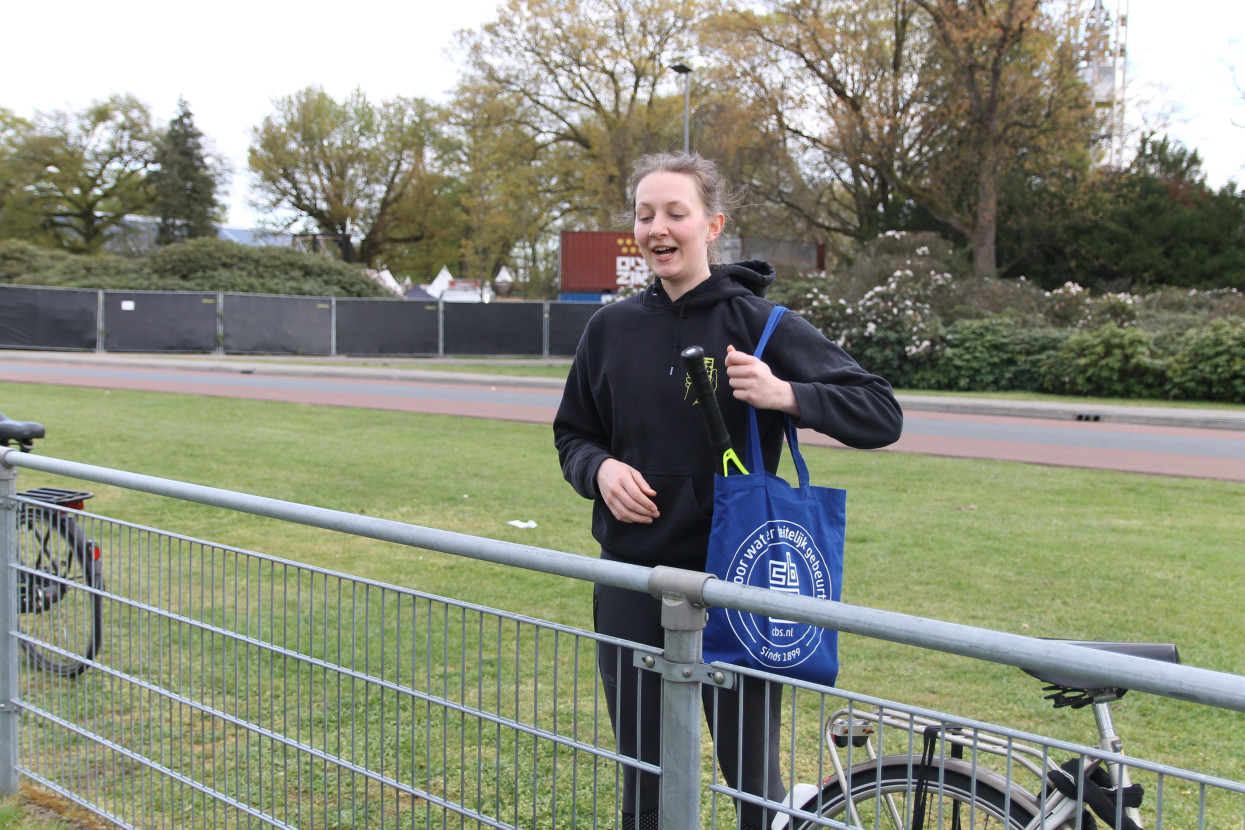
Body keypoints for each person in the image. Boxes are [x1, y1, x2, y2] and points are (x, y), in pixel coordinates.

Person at [553, 152, 903, 830]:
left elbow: (880, 413)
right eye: (644, 214)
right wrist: (598, 470)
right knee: (645, 776)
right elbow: (573, 435)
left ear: (711, 225)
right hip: (634, 579)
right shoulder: (609, 329)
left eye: (674, 213)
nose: (657, 227)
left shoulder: (760, 324)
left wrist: (785, 394)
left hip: (737, 583)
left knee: (750, 778)